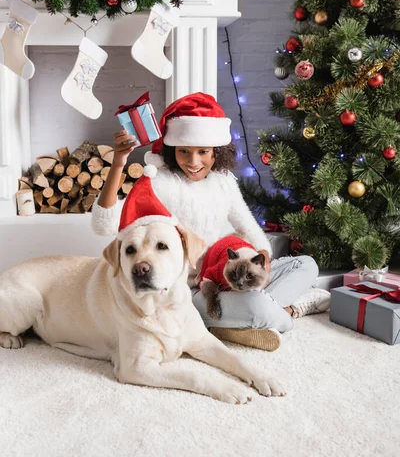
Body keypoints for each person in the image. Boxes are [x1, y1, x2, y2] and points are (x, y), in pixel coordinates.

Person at [92, 92, 330, 351]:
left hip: (234, 273)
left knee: (306, 264)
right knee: (256, 305)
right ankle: (287, 312)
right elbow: (104, 225)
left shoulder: (224, 181)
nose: (193, 162)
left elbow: (248, 227)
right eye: (184, 151)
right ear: (173, 150)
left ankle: (237, 323)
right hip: (192, 290)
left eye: (203, 152)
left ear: (217, 152)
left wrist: (263, 258)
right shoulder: (160, 182)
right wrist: (118, 164)